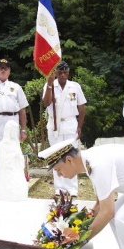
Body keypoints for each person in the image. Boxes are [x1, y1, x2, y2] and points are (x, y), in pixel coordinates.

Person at [41, 60, 87, 197]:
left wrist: (79, 126)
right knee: (56, 156)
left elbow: (82, 107)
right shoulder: (50, 85)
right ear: (55, 73)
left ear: (68, 72)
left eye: (65, 72)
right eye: (60, 72)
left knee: (71, 156)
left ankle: (72, 188)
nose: (62, 75)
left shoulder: (75, 86)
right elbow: (46, 102)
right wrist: (49, 84)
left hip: (70, 123)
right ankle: (59, 187)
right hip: (55, 125)